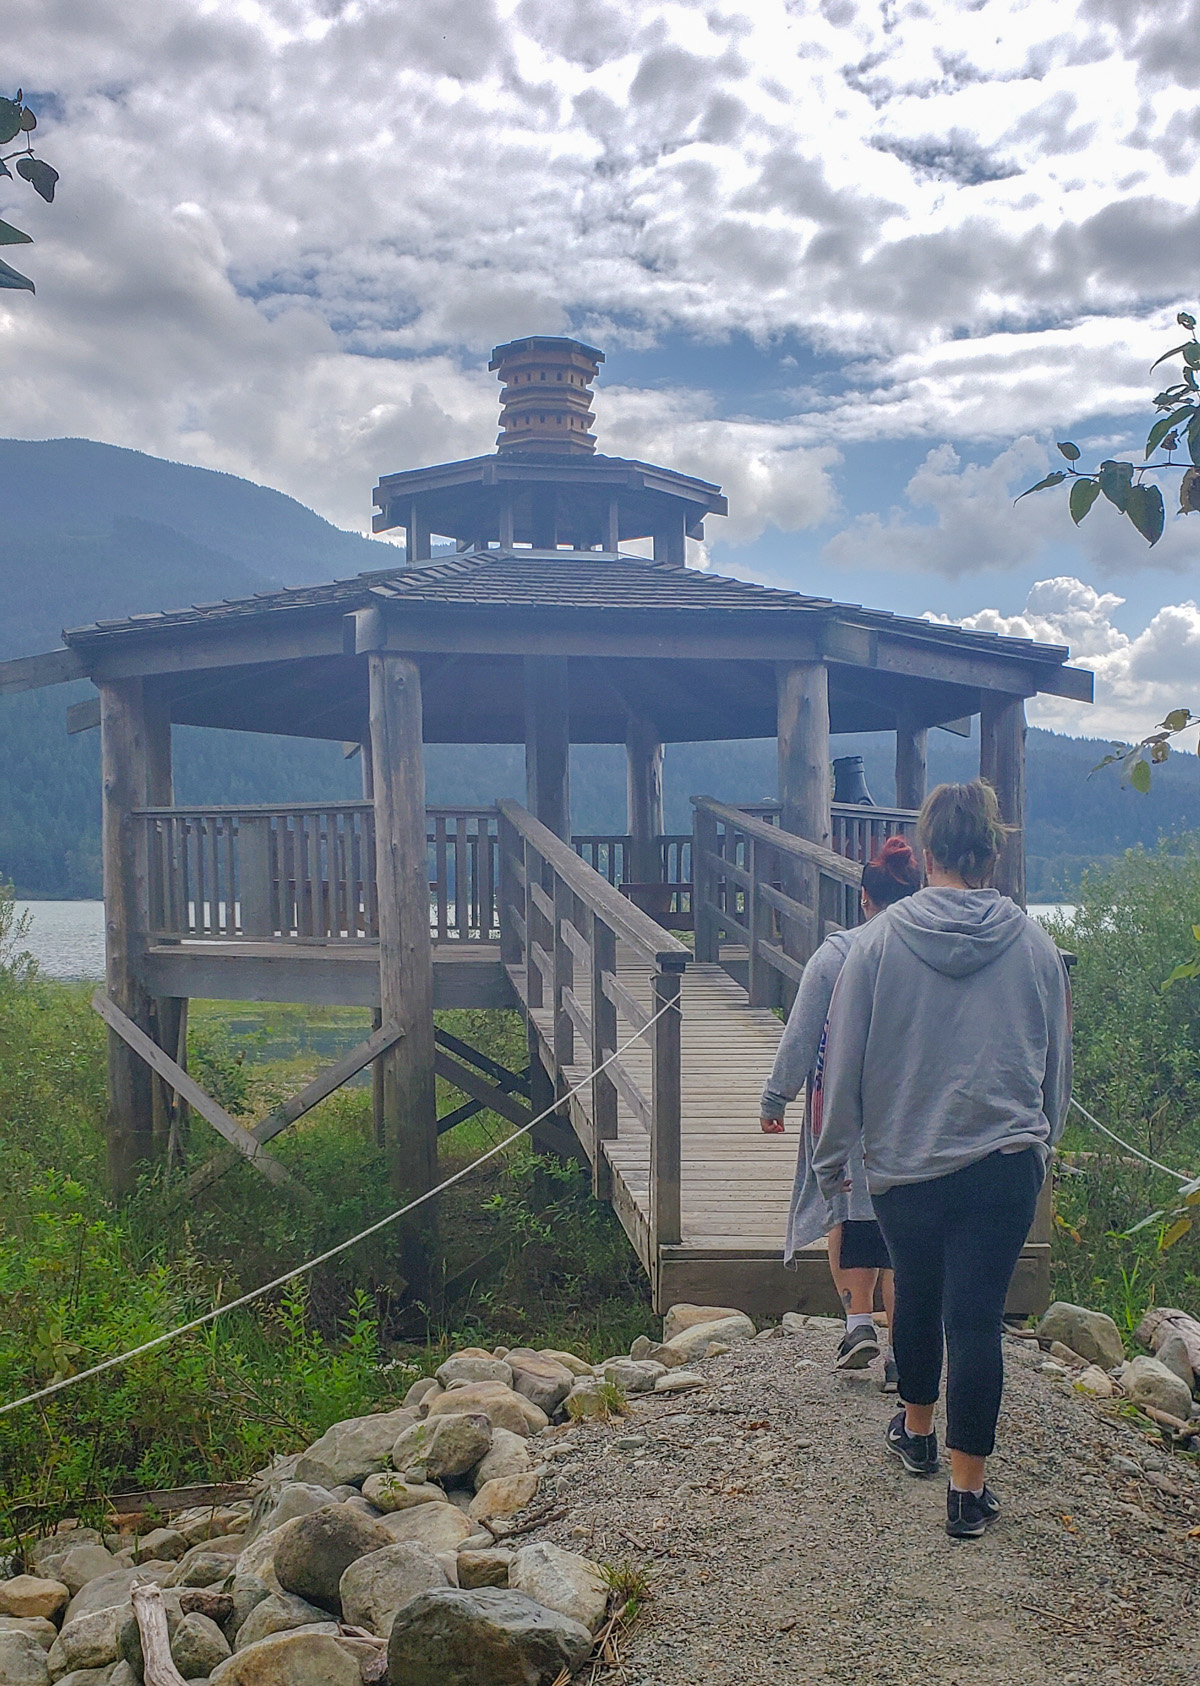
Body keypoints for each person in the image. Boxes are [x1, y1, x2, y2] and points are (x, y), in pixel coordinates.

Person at [814, 781, 1072, 1540]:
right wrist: (1042, 1141)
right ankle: (967, 1493)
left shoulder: (876, 943)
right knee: (977, 1319)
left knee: (917, 1297)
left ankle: (918, 1432)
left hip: (904, 1161)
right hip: (1005, 1159)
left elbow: (845, 1065)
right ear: (993, 850)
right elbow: (1055, 1065)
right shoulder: (1034, 945)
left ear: (925, 853)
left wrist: (836, 1167)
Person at [760, 835, 922, 1384]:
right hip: (912, 1112)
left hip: (844, 1112)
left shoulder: (837, 954)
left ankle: (857, 1323)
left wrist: (775, 1096)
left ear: (864, 898)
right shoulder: (927, 952)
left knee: (848, 1213)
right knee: (901, 1234)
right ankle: (904, 1353)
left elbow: (802, 1032)